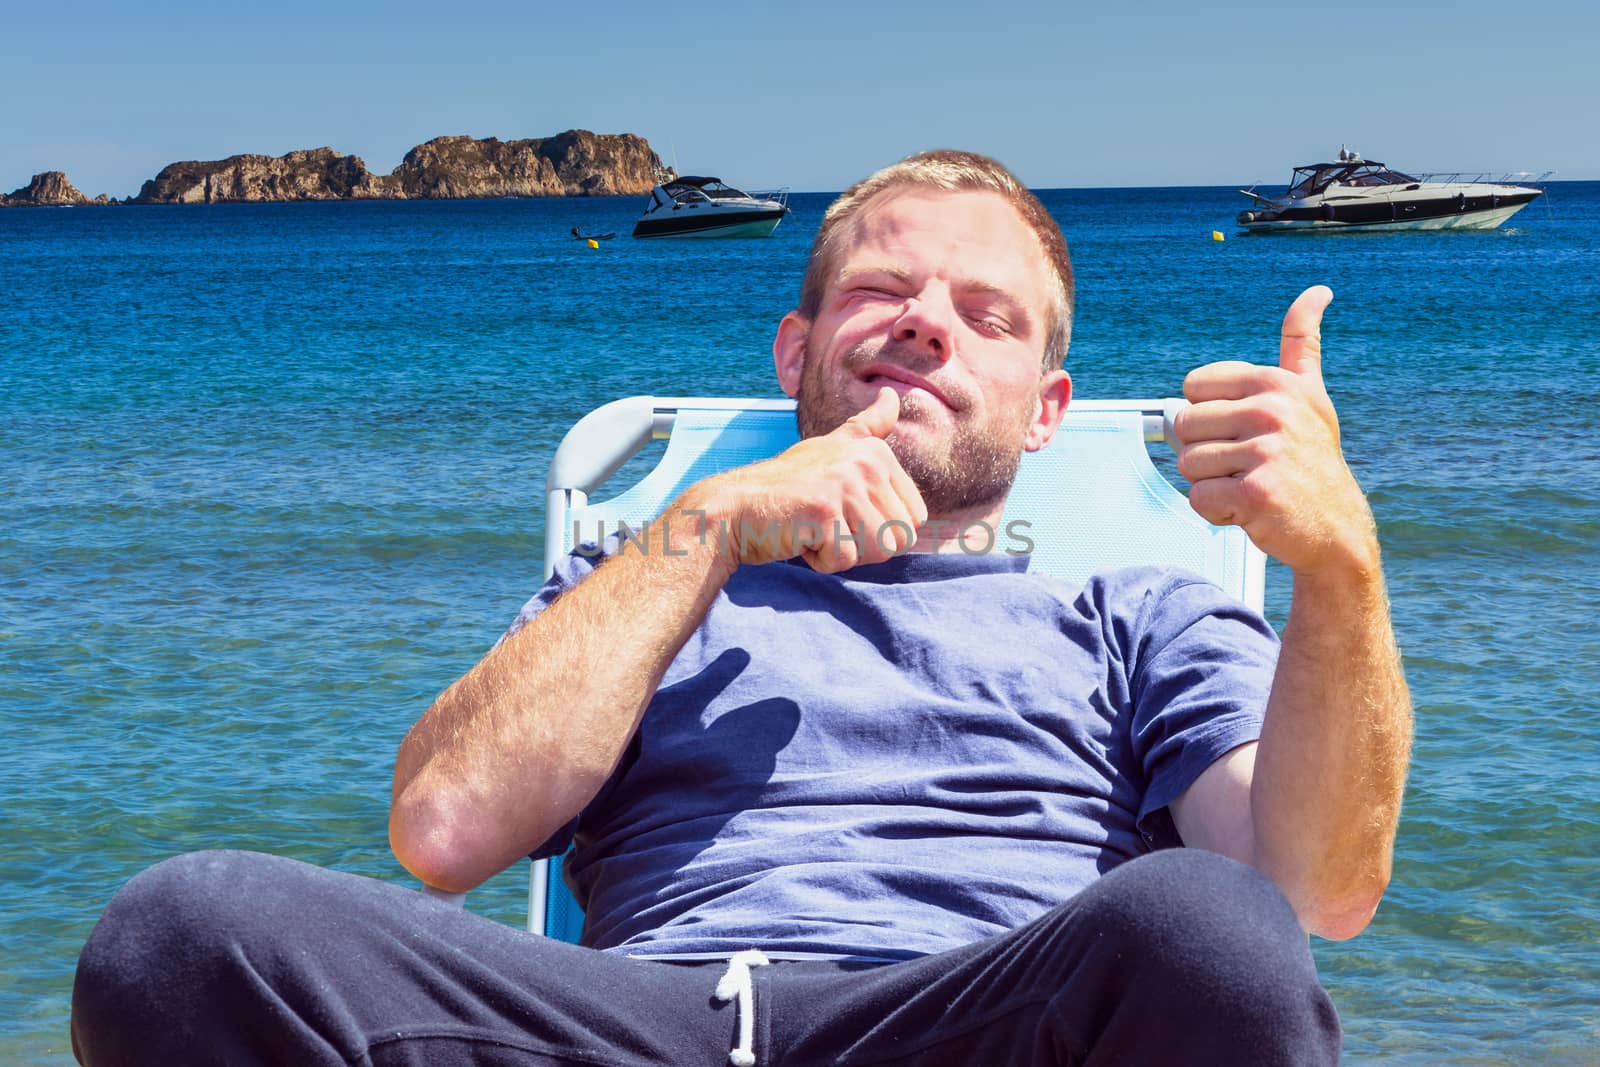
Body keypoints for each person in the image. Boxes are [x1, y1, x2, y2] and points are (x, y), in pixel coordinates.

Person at [71, 151, 1411, 1066]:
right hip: (630, 1027)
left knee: (1208, 930)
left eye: (987, 313)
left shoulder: (1137, 617)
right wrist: (706, 527)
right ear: (797, 351)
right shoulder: (642, 582)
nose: (926, 322)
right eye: (882, 290)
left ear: (1049, 410)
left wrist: (1340, 565)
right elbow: (441, 833)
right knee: (181, 935)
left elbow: (1315, 892)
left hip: (969, 1019)